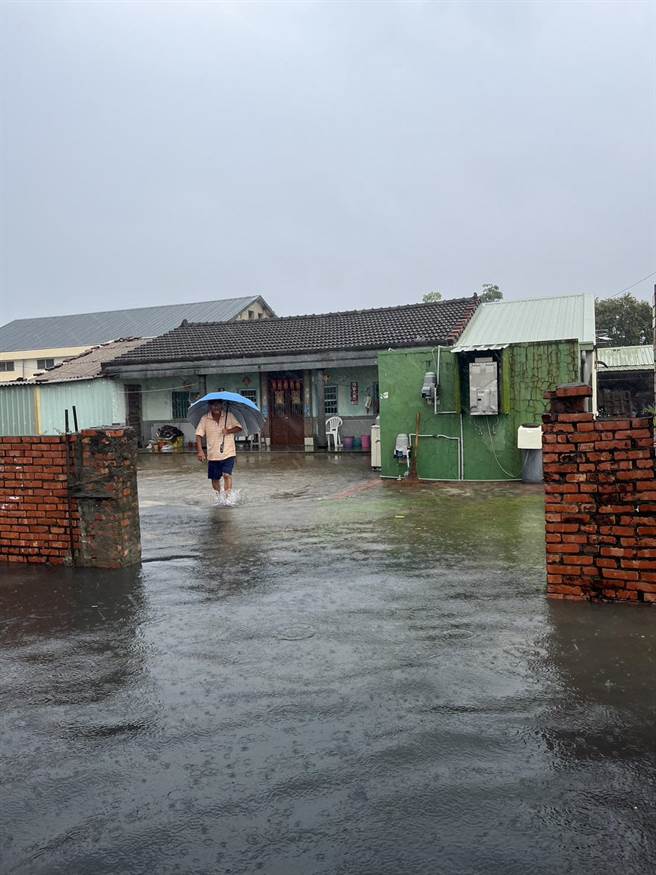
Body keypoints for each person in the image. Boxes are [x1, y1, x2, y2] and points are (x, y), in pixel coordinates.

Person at [195, 400, 243, 504]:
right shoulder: (205, 418)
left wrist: (228, 431)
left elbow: (239, 427)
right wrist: (200, 451)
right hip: (213, 455)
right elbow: (198, 435)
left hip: (228, 452)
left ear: (222, 405)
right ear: (210, 406)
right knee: (215, 479)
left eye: (218, 404)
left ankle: (228, 499)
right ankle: (219, 498)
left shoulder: (229, 416)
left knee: (227, 474)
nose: (216, 407)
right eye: (213, 404)